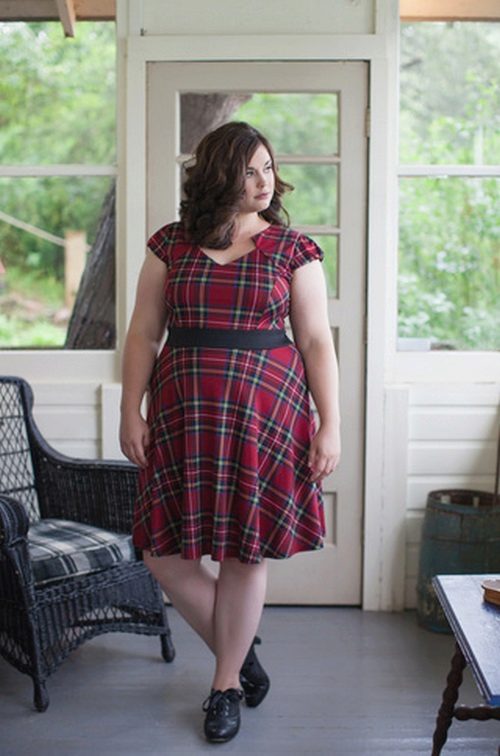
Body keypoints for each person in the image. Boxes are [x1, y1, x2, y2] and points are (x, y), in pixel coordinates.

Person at [119, 121, 341, 744]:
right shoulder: (171, 244)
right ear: (220, 174)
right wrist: (129, 409)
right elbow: (143, 333)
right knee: (161, 552)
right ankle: (239, 652)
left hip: (267, 415)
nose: (263, 181)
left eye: (268, 167)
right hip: (182, 413)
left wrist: (331, 424)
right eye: (249, 170)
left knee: (245, 550)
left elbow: (316, 341)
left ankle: (224, 687)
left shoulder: (293, 249)